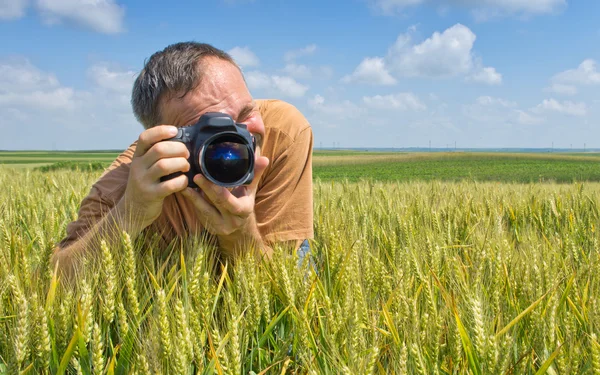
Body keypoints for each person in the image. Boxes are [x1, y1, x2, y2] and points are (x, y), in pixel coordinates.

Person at [51, 42, 314, 277]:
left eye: (246, 112)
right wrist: (130, 213)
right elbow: (52, 285)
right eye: (209, 130)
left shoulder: (282, 133)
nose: (235, 140)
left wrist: (240, 233)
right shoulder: (129, 181)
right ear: (165, 138)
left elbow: (289, 287)